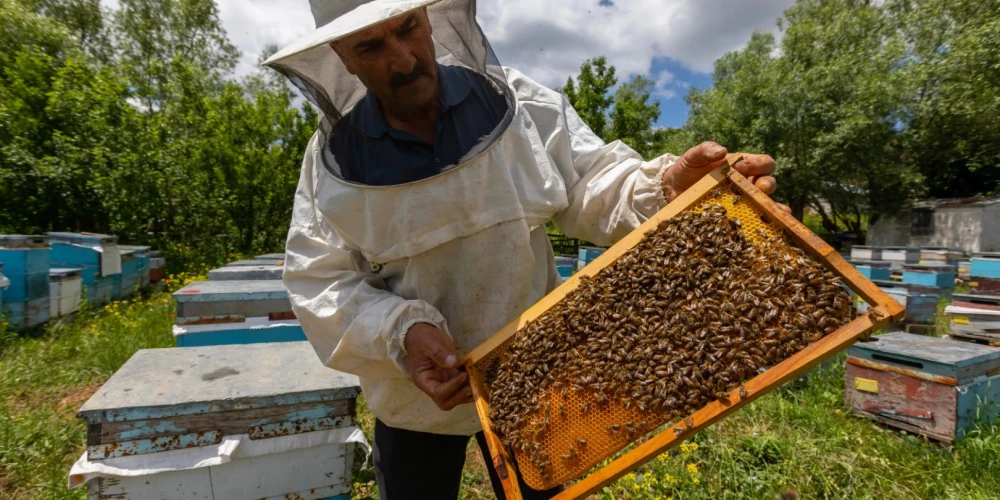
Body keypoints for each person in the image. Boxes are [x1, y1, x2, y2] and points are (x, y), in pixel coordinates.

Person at [265, 1, 782, 498]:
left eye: (407, 28)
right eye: (372, 45)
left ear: (430, 18)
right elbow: (320, 281)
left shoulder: (518, 104)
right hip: (412, 401)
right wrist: (401, 332)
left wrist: (664, 186)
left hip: (534, 381)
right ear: (341, 56)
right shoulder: (330, 163)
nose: (402, 60)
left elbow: (590, 183)